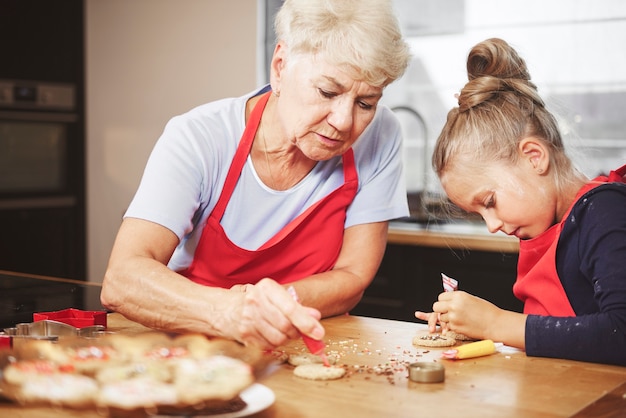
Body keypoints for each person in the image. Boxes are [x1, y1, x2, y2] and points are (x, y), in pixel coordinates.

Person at [101, 0, 411, 349]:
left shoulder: (382, 134)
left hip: (299, 344)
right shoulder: (199, 137)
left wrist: (270, 304)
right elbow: (123, 279)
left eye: (366, 103)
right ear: (280, 67)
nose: (343, 121)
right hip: (188, 347)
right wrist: (229, 311)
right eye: (327, 92)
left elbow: (353, 277)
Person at [415, 38, 626, 366]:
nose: (492, 225)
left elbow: (620, 333)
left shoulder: (605, 213)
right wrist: (473, 326)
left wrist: (497, 324)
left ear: (533, 157)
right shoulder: (539, 226)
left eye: (490, 201)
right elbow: (555, 333)